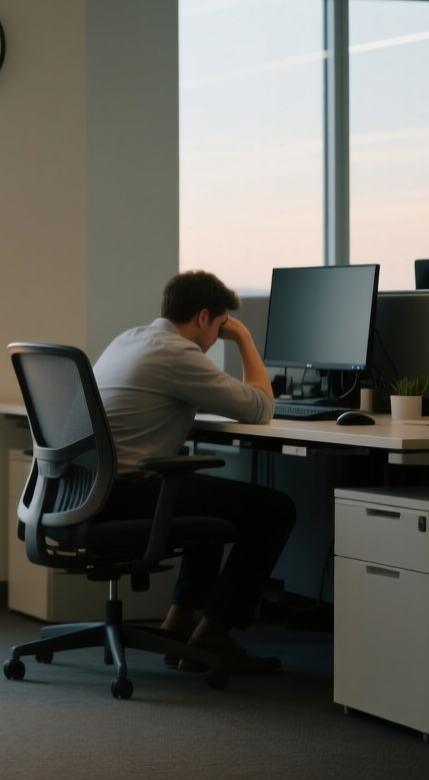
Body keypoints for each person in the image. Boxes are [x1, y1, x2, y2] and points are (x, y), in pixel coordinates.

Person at [92, 270, 296, 675]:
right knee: (275, 509)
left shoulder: (128, 339)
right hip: (124, 493)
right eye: (220, 326)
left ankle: (179, 624)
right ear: (204, 317)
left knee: (199, 494)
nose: (217, 336)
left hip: (87, 491)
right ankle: (213, 635)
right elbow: (261, 406)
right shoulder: (176, 353)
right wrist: (244, 338)